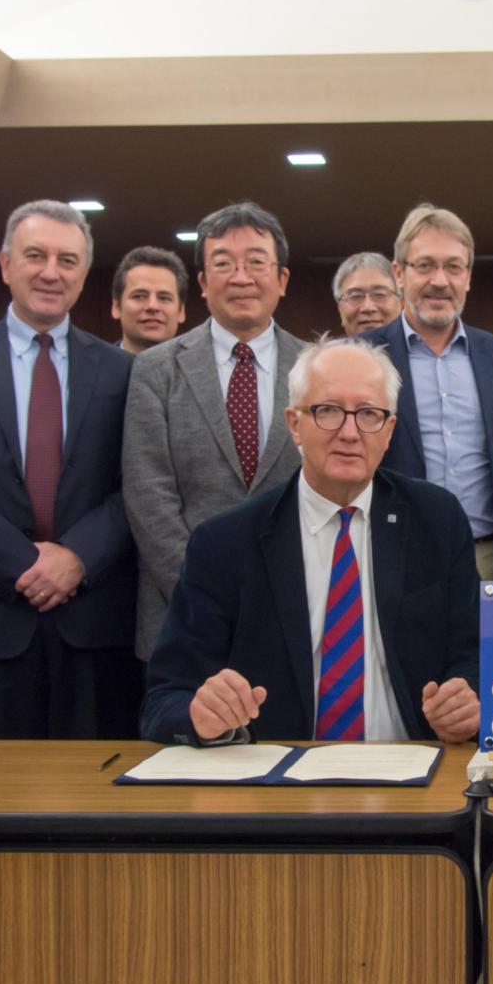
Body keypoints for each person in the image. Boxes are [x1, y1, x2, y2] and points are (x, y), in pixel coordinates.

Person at [141, 337, 481, 745]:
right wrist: (202, 716)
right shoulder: (225, 542)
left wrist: (468, 702)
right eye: (328, 411)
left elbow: (475, 655)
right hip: (277, 780)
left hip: (413, 764)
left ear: (389, 430)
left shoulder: (437, 519)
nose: (350, 432)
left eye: (369, 414)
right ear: (294, 423)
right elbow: (165, 699)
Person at [0, 200, 139, 739]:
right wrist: (26, 563)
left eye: (67, 260)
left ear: (84, 276)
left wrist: (77, 558)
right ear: (6, 264)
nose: (51, 272)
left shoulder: (124, 371)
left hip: (94, 614)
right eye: (35, 255)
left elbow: (139, 482)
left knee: (96, 789)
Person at [122, 202, 305, 661]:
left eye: (256, 262)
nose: (241, 277)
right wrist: (204, 589)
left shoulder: (316, 368)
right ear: (202, 283)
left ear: (281, 279)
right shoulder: (155, 369)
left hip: (300, 609)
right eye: (223, 263)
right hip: (182, 613)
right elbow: (148, 494)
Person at [360, 203, 493, 580]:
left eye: (453, 267)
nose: (440, 280)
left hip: (490, 559)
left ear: (468, 276)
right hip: (393, 556)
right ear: (399, 274)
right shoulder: (361, 354)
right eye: (425, 265)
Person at [111, 245, 187, 353]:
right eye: (139, 296)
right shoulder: (86, 368)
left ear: (181, 311)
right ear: (116, 307)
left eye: (164, 298)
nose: (152, 306)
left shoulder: (203, 368)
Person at [332, 251, 402, 335]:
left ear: (400, 304)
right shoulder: (327, 348)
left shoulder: (420, 347)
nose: (368, 308)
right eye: (356, 296)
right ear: (340, 310)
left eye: (379, 295)